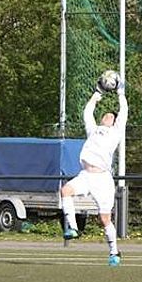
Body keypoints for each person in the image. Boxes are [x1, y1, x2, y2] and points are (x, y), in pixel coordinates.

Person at [60, 71, 128, 267]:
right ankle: (73, 228)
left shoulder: (115, 133)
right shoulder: (94, 130)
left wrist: (120, 92)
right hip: (86, 175)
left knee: (104, 218)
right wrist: (97, 93)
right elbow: (87, 112)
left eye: (111, 116)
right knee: (65, 191)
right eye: (105, 114)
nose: (107, 116)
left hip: (102, 179)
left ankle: (114, 251)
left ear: (114, 122)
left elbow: (123, 111)